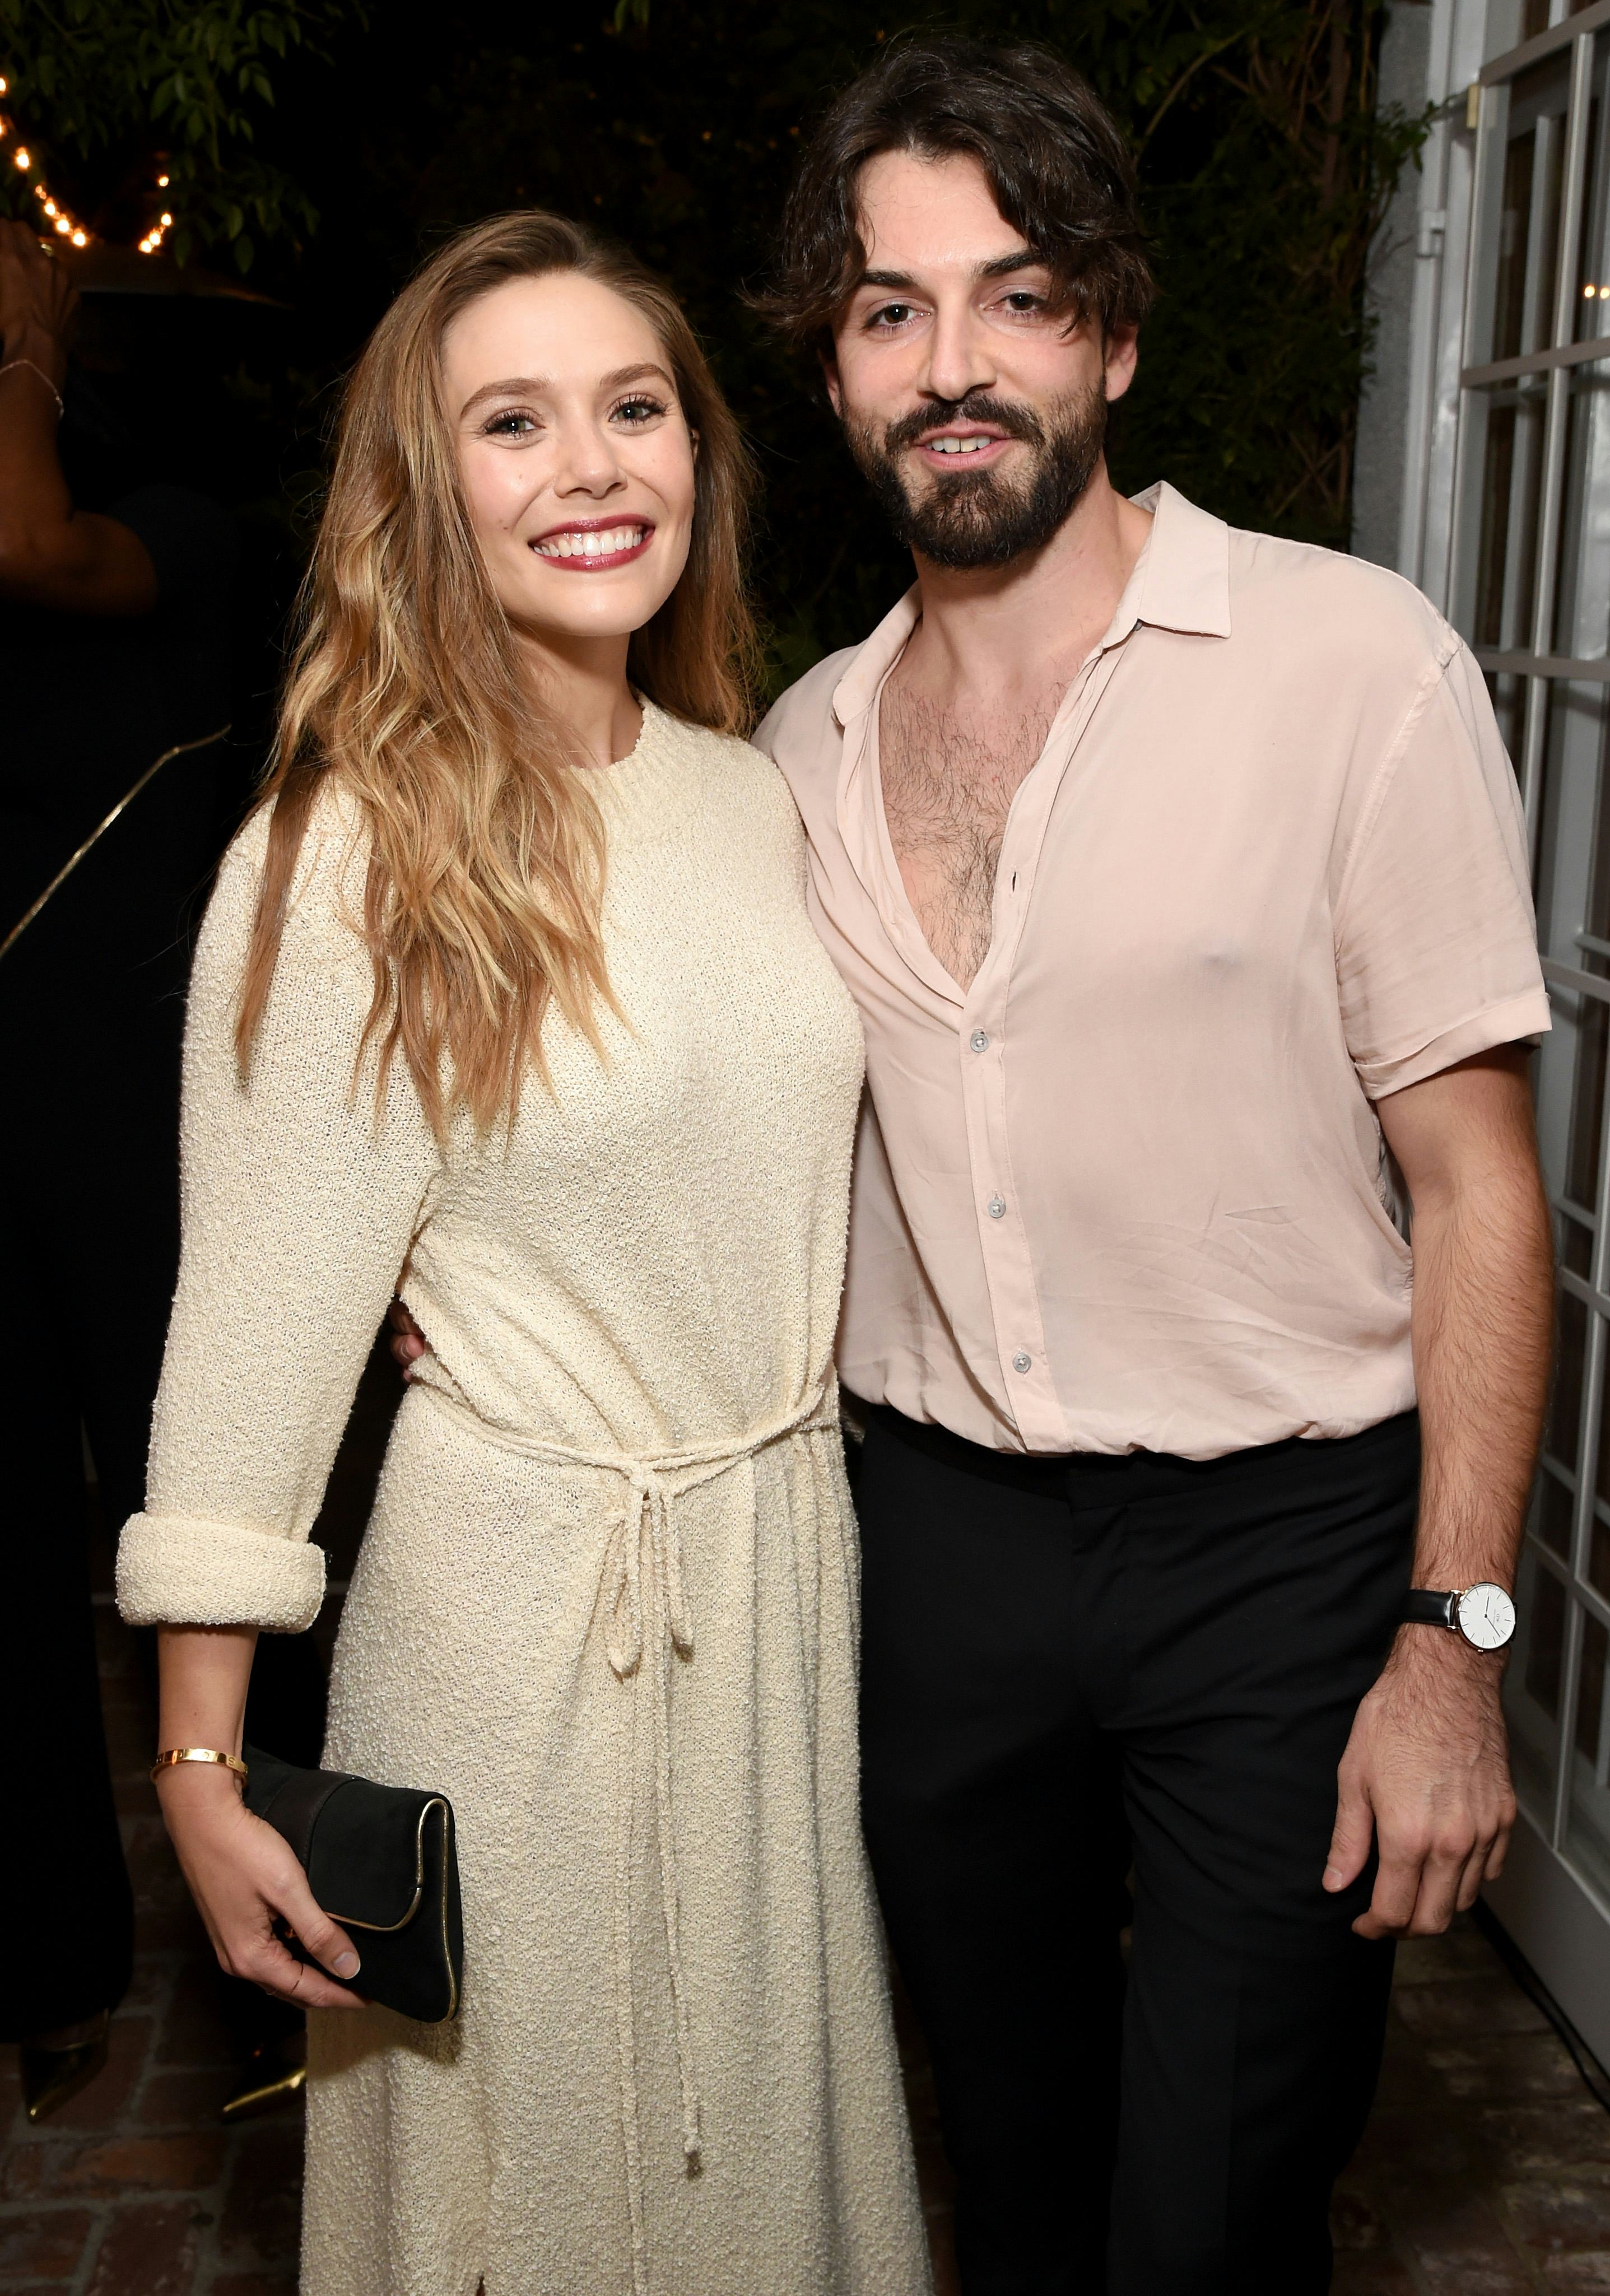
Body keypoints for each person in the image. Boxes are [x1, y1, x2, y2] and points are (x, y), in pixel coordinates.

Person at [748, 39, 1555, 2295]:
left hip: (1287, 1555)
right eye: (891, 311)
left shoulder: (1346, 664)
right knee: (1001, 2173)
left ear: (1110, 332)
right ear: (834, 372)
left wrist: (1453, 1640)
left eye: (1013, 299)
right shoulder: (796, 743)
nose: (954, 365)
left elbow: (1486, 1193)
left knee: (1208, 2206)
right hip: (942, 1544)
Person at [115, 210, 930, 2296]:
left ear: (697, 456)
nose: (591, 466)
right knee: (534, 2209)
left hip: (769, 1592)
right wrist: (200, 1768)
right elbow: (253, 1345)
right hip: (515, 1638)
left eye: (633, 408)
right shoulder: (346, 855)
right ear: (424, 492)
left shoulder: (749, 797)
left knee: (753, 2190)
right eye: (514, 421)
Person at [0, 220, 240, 2118]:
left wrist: (25, 342)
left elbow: (35, 546)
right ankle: (48, 1963)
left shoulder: (184, 507)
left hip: (124, 1104)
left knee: (195, 1525)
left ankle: (282, 1959)